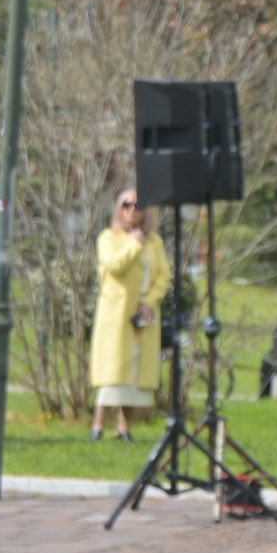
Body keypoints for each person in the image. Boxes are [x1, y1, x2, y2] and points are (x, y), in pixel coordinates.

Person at [88, 189, 171, 442]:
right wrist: (133, 244)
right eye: (127, 205)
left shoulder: (154, 242)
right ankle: (98, 425)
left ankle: (124, 427)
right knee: (112, 372)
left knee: (136, 372)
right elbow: (115, 266)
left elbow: (164, 275)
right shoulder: (108, 238)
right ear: (119, 208)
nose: (132, 210)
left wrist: (150, 301)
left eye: (138, 205)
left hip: (144, 312)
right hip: (117, 313)